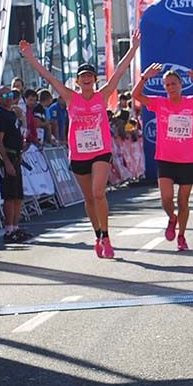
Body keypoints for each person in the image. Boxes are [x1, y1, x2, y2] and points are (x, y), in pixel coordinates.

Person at [20, 33, 139, 258]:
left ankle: (106, 236)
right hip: (79, 155)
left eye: (90, 76)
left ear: (94, 79)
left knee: (98, 193)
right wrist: (29, 57)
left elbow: (120, 72)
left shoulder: (102, 96)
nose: (86, 79)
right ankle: (97, 235)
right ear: (77, 80)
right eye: (82, 76)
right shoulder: (69, 97)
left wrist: (133, 48)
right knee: (89, 199)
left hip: (101, 151)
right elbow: (46, 76)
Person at [133, 63, 193, 251]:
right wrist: (144, 78)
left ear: (181, 85)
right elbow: (136, 96)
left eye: (174, 83)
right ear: (164, 87)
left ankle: (181, 236)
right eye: (167, 85)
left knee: (183, 202)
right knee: (166, 199)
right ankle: (172, 219)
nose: (171, 87)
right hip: (165, 158)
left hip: (188, 159)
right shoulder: (159, 103)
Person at [0, 86, 32, 243]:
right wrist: (6, 162)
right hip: (7, 157)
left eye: (10, 94)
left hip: (16, 156)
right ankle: (9, 230)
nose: (8, 97)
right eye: (4, 95)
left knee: (18, 196)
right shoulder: (0, 115)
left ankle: (15, 227)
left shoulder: (12, 114)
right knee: (9, 196)